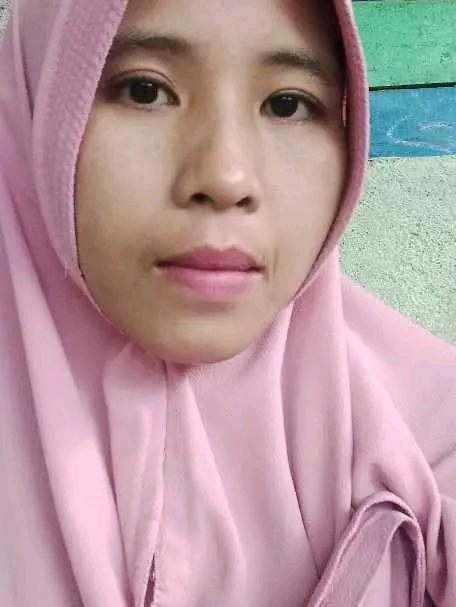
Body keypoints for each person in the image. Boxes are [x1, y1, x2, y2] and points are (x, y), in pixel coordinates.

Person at [0, 0, 454, 605]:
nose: (225, 176)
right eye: (144, 91)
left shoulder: (428, 438)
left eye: (287, 104)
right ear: (37, 104)